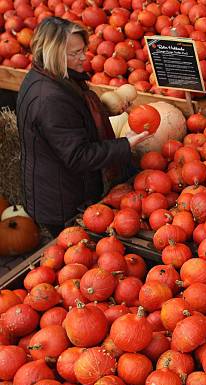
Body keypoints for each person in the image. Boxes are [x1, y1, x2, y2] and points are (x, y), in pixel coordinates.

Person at [16, 17, 152, 237]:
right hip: (62, 201)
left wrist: (103, 110)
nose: (83, 58)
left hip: (61, 188)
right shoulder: (50, 99)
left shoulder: (52, 77)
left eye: (83, 50)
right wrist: (125, 144)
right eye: (74, 54)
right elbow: (77, 155)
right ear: (53, 54)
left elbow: (70, 125)